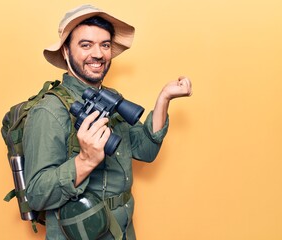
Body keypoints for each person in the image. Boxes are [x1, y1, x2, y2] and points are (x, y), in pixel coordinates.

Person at [23, 4, 192, 239]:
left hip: (121, 230)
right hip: (79, 232)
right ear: (65, 51)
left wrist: (164, 98)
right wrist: (85, 160)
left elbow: (146, 150)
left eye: (105, 45)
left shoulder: (111, 99)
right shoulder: (49, 111)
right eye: (86, 45)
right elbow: (37, 194)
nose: (99, 54)